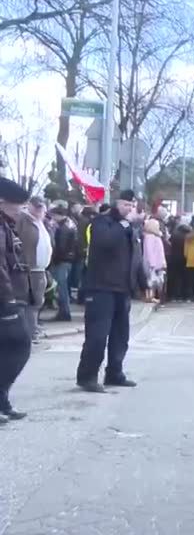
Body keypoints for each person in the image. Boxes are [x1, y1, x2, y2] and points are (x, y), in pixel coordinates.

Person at [76, 189, 143, 393]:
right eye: (125, 205)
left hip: (122, 289)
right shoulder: (101, 222)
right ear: (116, 204)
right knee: (97, 336)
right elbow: (106, 242)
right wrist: (125, 224)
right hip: (100, 288)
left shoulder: (130, 229)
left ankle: (114, 373)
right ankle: (87, 376)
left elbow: (135, 255)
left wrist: (142, 279)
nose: (129, 209)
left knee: (120, 336)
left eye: (132, 206)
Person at [0, 178, 31, 423]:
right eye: (17, 205)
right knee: (20, 346)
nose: (21, 210)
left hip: (11, 296)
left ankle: (2, 400)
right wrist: (8, 299)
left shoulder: (6, 225)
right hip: (5, 299)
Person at [5, 195, 49, 337]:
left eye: (41, 207)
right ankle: (28, 332)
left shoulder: (40, 222)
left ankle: (32, 329)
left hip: (40, 269)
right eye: (36, 207)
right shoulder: (23, 219)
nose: (39, 210)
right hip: (27, 269)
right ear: (29, 206)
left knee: (36, 301)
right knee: (27, 301)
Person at [48, 205, 77, 321]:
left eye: (54, 215)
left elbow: (61, 247)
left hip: (62, 261)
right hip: (68, 260)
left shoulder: (63, 228)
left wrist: (54, 260)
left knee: (61, 288)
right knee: (63, 287)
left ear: (59, 215)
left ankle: (64, 313)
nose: (53, 218)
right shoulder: (70, 224)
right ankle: (64, 311)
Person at [142, 218, 167, 304]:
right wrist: (152, 263)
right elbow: (149, 251)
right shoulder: (149, 237)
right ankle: (149, 296)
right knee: (150, 281)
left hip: (157, 262)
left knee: (155, 281)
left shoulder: (156, 236)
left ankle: (152, 296)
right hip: (152, 263)